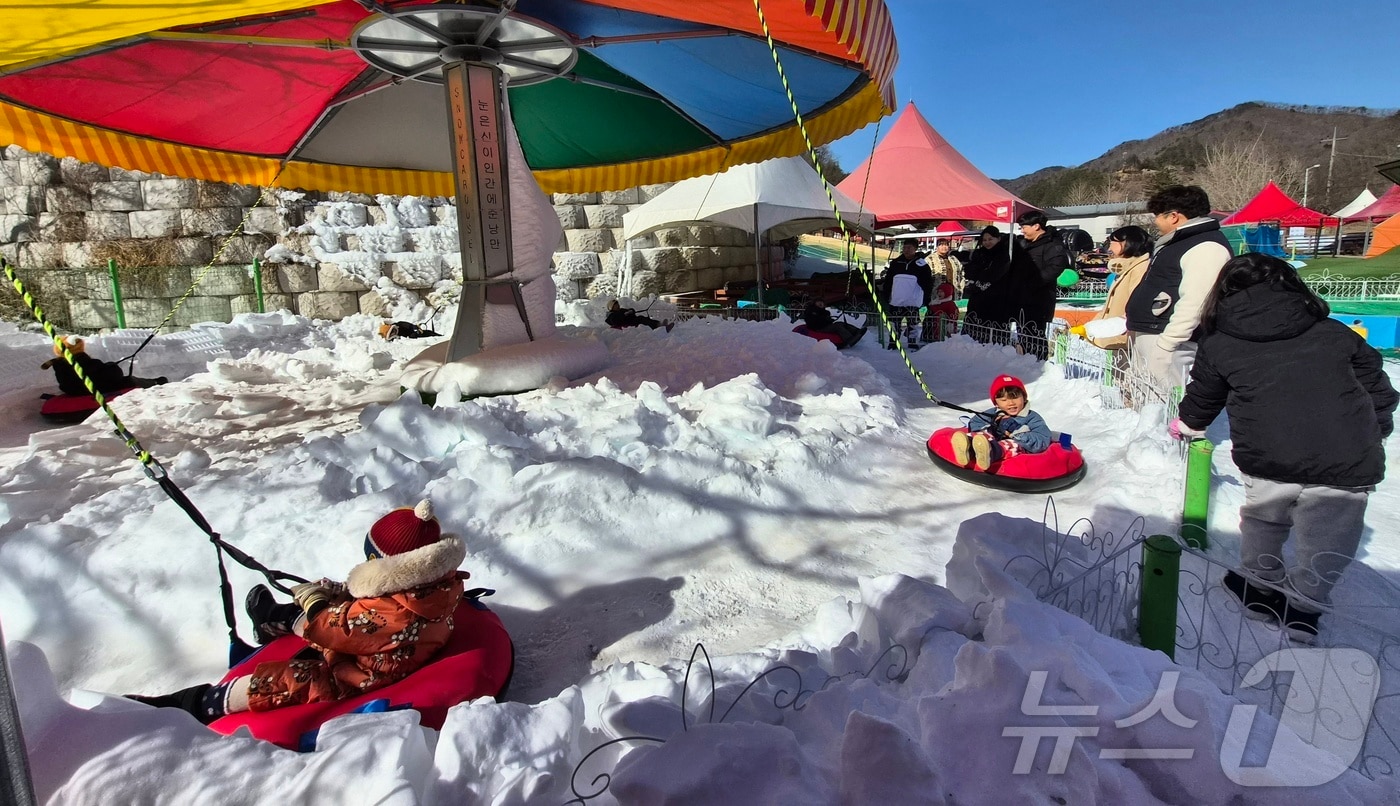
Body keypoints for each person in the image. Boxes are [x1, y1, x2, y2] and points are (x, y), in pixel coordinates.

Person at [1170, 254, 1397, 643]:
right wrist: (1374, 428)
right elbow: (1378, 390)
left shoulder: (1221, 342)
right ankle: (1305, 608)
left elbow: (1204, 396)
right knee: (1331, 536)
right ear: (1293, 287)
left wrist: (1188, 424)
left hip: (1267, 453)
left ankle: (1259, 588)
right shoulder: (1335, 332)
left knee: (1264, 519)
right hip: (1346, 455)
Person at [128, 500, 470, 722]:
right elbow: (376, 607)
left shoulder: (394, 614)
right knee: (327, 606)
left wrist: (315, 602)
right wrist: (337, 591)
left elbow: (334, 628)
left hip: (361, 673)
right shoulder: (435, 584)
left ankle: (193, 704)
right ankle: (271, 621)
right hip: (388, 644)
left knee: (279, 681)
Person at [1125, 185, 1231, 388]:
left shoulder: (1206, 247)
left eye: (1157, 216)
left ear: (1174, 216)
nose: (1155, 222)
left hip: (1171, 341)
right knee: (1148, 403)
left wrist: (1167, 343)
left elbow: (1197, 300)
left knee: (1166, 404)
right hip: (1156, 332)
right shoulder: (1178, 243)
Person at [949, 374, 1053, 471]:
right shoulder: (993, 413)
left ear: (1024, 398)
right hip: (989, 440)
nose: (1011, 403)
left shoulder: (1032, 417)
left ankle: (989, 453)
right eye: (1004, 400)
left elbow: (1043, 440)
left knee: (1010, 445)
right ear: (996, 403)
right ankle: (968, 448)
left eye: (1015, 398)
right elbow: (976, 422)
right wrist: (991, 426)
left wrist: (1017, 432)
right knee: (981, 435)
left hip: (1018, 446)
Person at [1081, 225, 1153, 352]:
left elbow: (1135, 305)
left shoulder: (1140, 269)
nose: (1109, 248)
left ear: (1127, 243)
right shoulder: (1126, 269)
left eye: (1112, 242)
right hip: (1118, 339)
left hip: (1127, 340)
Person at [1013, 210, 1072, 360]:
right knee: (1023, 331)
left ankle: (1037, 362)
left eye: (1024, 227)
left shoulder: (1052, 245)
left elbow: (1056, 267)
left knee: (1035, 333)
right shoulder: (1026, 244)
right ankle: (1024, 359)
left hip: (1039, 298)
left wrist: (1033, 282)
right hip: (1022, 297)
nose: (1022, 231)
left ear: (1036, 226)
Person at [41, 336, 166, 396]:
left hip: (73, 390)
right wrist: (112, 366)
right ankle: (155, 382)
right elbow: (111, 376)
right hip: (96, 389)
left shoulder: (59, 365)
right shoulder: (87, 363)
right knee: (129, 380)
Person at [959, 226, 1014, 343]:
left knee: (995, 330)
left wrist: (982, 277)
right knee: (974, 328)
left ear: (998, 239)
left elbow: (995, 274)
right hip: (978, 297)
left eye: (990, 239)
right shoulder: (979, 254)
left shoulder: (1003, 255)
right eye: (984, 240)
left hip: (997, 297)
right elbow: (970, 271)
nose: (987, 242)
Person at [879, 239, 934, 350]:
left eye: (909, 248)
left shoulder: (922, 265)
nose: (907, 250)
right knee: (895, 322)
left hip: (912, 300)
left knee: (913, 322)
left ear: (915, 249)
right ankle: (893, 341)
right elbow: (889, 280)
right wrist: (887, 293)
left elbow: (928, 282)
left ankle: (912, 342)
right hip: (896, 299)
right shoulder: (895, 263)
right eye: (905, 247)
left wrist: (926, 297)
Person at [606, 300, 672, 331]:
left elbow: (629, 311)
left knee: (643, 318)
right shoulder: (611, 315)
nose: (618, 306)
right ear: (611, 307)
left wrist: (631, 311)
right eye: (616, 306)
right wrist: (625, 315)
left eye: (618, 305)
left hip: (631, 322)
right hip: (627, 325)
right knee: (641, 319)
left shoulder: (621, 310)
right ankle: (658, 326)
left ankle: (660, 324)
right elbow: (616, 321)